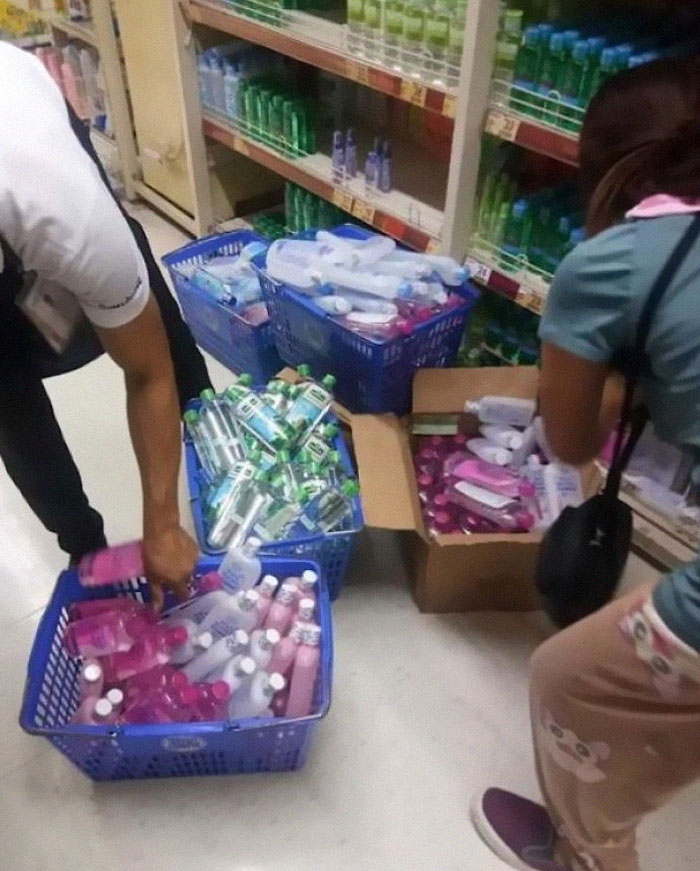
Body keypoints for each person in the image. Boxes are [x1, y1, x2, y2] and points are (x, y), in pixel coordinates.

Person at [471, 57, 700, 871]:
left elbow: (568, 441)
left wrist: (605, 373)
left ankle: (588, 850)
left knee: (565, 678)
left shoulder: (612, 264)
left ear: (606, 177)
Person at [0, 43, 211, 607]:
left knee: (145, 315)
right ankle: (83, 547)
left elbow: (148, 373)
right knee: (8, 399)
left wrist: (161, 524)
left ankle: (214, 443)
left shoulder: (59, 209)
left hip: (23, 132)